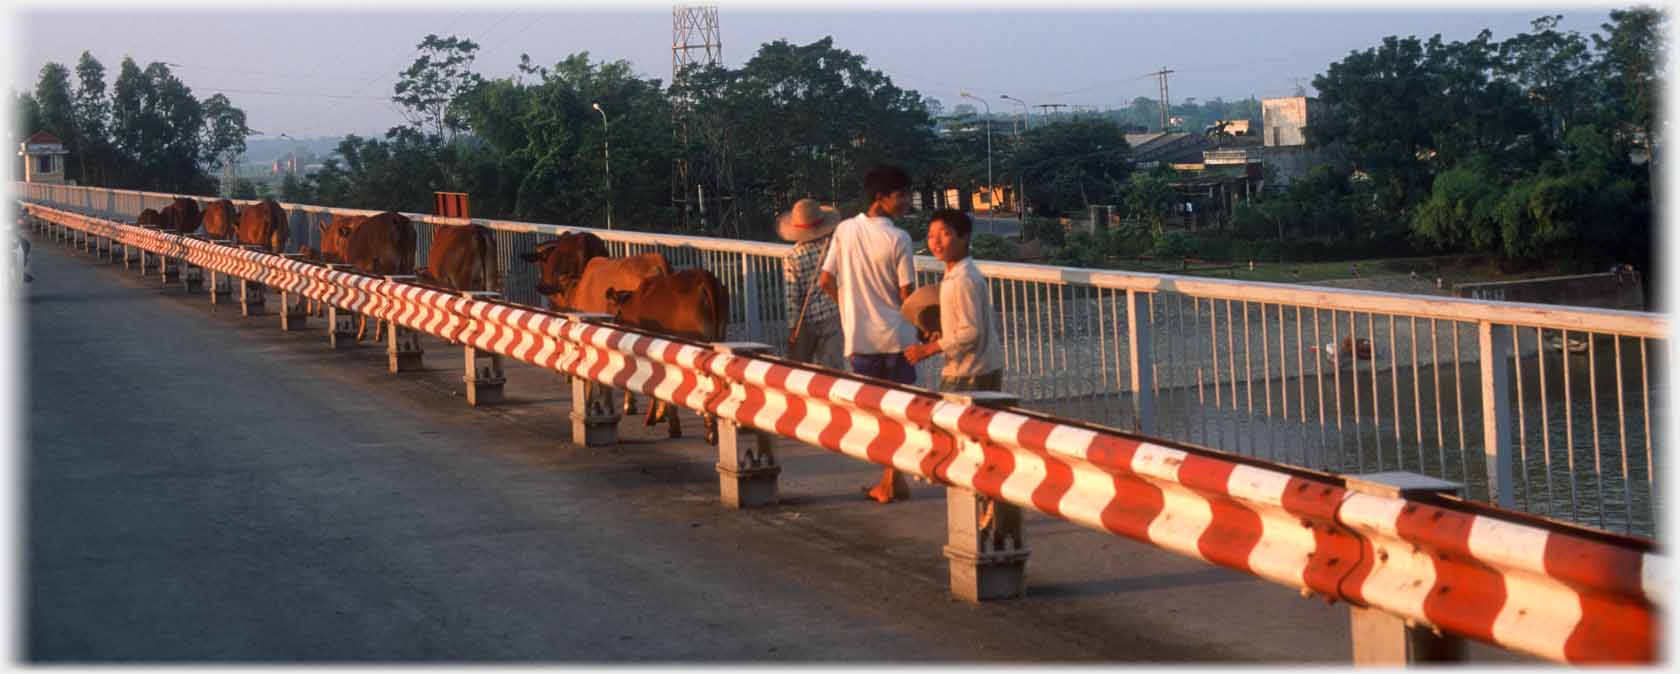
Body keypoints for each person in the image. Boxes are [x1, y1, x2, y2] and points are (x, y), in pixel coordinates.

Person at [818, 164, 919, 503]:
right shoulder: (899, 238)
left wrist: (848, 308)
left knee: (877, 416)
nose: (906, 201)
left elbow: (825, 280)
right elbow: (908, 295)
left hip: (861, 339)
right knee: (901, 412)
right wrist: (927, 328)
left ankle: (891, 480)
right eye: (900, 195)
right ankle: (891, 479)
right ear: (881, 198)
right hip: (899, 337)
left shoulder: (845, 230)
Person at [904, 209, 1004, 393]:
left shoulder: (962, 279)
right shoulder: (958, 273)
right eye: (931, 236)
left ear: (965, 237)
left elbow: (970, 333)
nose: (936, 242)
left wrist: (928, 349)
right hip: (983, 366)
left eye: (945, 234)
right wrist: (943, 333)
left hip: (968, 372)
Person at [777, 199, 845, 370]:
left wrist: (793, 327)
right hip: (833, 314)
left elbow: (791, 296)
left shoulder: (792, 257)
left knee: (801, 371)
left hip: (806, 320)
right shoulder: (834, 247)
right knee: (833, 370)